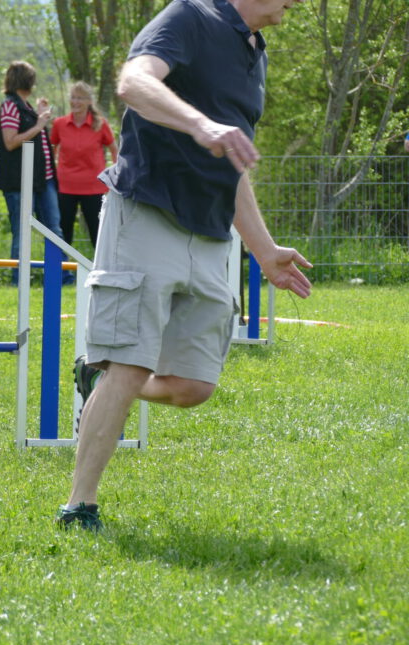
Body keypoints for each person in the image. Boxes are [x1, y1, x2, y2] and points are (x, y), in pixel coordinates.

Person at [57, 0, 313, 531]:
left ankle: (96, 377)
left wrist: (264, 250)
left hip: (211, 232)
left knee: (193, 386)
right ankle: (79, 506)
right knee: (130, 363)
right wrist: (201, 125)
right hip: (147, 210)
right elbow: (133, 82)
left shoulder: (255, 54)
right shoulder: (190, 17)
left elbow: (233, 165)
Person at [0, 61, 63, 284]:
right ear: (26, 81)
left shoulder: (25, 106)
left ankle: (61, 276)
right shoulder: (10, 106)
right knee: (22, 231)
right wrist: (39, 125)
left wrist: (39, 115)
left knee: (53, 228)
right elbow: (10, 142)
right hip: (20, 181)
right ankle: (18, 278)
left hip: (43, 179)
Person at [50, 81, 118, 248]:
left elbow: (114, 150)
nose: (75, 102)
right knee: (62, 234)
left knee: (98, 235)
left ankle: (100, 265)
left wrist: (115, 178)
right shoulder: (59, 124)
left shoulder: (101, 124)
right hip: (65, 187)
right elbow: (51, 149)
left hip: (94, 187)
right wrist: (52, 175)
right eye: (73, 97)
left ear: (89, 101)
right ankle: (61, 265)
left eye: (80, 98)